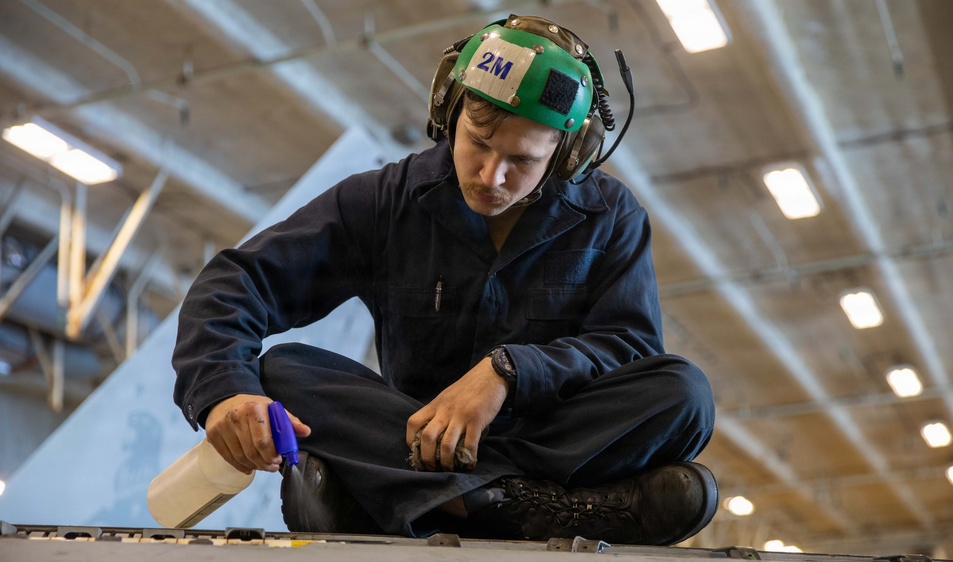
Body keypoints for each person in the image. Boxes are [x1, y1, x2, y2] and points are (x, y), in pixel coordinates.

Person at [171, 14, 717, 545]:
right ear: (448, 111)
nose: (491, 176)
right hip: (415, 439)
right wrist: (225, 393)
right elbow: (238, 281)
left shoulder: (611, 216)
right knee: (284, 371)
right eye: (477, 141)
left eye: (522, 160)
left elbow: (628, 347)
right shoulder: (385, 202)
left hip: (546, 440)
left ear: (567, 156)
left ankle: (444, 500)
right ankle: (529, 505)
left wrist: (507, 374)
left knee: (684, 394)